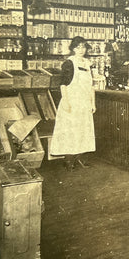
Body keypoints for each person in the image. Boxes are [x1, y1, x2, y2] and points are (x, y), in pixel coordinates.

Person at [50, 36, 96, 170]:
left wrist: (93, 103)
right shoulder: (69, 63)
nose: (81, 50)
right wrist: (66, 102)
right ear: (73, 49)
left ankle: (80, 158)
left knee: (83, 130)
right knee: (70, 131)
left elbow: (91, 85)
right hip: (71, 101)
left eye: (83, 47)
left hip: (84, 102)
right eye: (78, 47)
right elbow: (63, 84)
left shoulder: (87, 63)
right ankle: (68, 160)